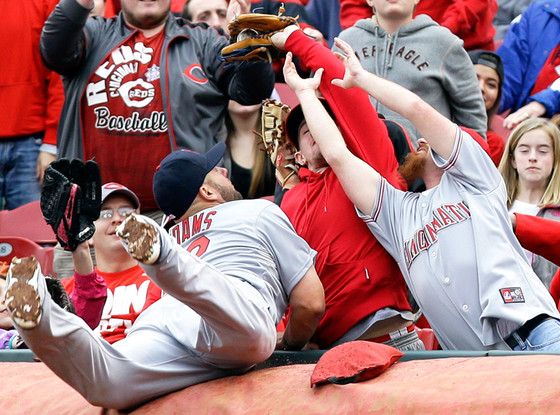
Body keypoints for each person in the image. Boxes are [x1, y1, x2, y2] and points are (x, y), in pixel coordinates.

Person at [284, 36, 560, 351]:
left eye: (429, 140)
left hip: (537, 335)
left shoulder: (477, 184)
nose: (420, 142)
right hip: (476, 366)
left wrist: (362, 79)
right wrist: (305, 92)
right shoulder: (397, 213)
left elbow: (416, 109)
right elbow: (337, 154)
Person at [4, 142, 325, 409]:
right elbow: (310, 302)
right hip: (235, 307)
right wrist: (293, 343)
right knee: (251, 332)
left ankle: (42, 318)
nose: (225, 171)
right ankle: (168, 262)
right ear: (208, 192)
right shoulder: (258, 210)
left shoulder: (173, 229)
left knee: (109, 384)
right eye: (216, 170)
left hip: (166, 319)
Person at [40, 0, 274, 214]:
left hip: (188, 210)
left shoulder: (204, 41)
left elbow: (252, 92)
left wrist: (249, 39)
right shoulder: (93, 34)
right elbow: (54, 51)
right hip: (93, 217)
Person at [269, 26, 422, 351]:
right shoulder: (289, 203)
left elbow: (349, 97)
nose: (317, 130)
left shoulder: (369, 168)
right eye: (307, 129)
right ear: (297, 155)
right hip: (322, 354)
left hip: (388, 342)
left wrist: (297, 42)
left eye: (327, 123)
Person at [336, 0, 487, 147]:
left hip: (421, 166)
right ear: (369, 1)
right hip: (355, 163)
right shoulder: (345, 42)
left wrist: (465, 161)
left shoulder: (444, 43)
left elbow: (472, 114)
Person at [61, 182, 165, 343]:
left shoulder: (162, 280)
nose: (117, 219)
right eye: (105, 214)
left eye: (126, 212)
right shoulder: (65, 290)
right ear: (88, 234)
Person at [0, 0, 64, 210]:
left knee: (33, 234)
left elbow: (58, 73)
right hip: (32, 143)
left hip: (32, 145)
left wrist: (51, 143)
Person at [498, 118, 560, 289]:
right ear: (513, 160)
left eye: (543, 151)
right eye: (524, 150)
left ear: (555, 159)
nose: (533, 158)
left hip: (550, 310)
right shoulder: (495, 206)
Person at [497, 0, 560, 130]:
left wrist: (543, 103)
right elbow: (506, 76)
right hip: (526, 132)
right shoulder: (539, 11)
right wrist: (484, 97)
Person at [339, 0, 498, 51]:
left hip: (463, 47)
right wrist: (368, 37)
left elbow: (472, 3)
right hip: (385, 46)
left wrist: (438, 34)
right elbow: (355, 6)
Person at [469, 49, 506, 166]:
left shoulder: (493, 144)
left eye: (491, 85)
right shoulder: (429, 120)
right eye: (474, 78)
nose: (481, 88)